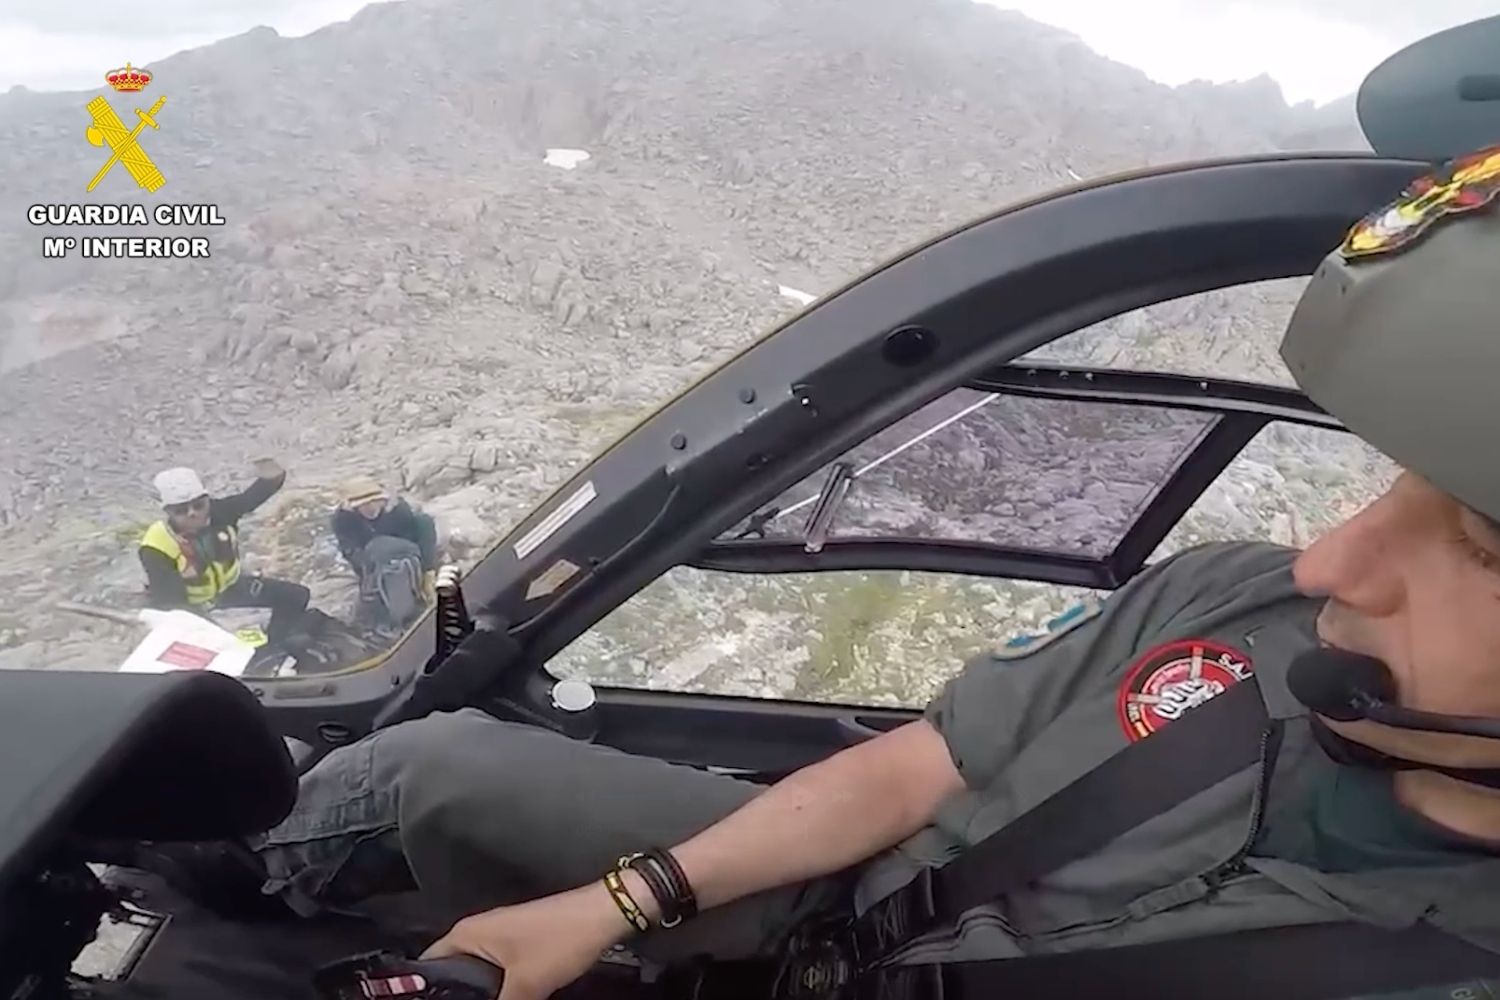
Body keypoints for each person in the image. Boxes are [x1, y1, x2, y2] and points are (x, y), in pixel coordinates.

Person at [145, 149, 1500, 994]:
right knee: (429, 764)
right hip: (850, 907)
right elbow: (918, 769)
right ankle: (204, 876)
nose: (1332, 557)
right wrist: (611, 904)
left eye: (1481, 541)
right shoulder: (1240, 601)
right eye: (1392, 486)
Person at [139, 459, 310, 647]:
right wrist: (218, 633)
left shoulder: (222, 512)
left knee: (296, 596)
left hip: (230, 588)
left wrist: (260, 458)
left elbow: (265, 486)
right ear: (167, 512)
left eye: (199, 505)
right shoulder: (156, 547)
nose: (192, 513)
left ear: (207, 500)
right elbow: (173, 605)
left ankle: (275, 644)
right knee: (222, 642)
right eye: (181, 510)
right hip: (192, 604)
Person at [330, 477, 439, 626]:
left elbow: (420, 534)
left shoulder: (399, 510)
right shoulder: (342, 520)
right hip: (371, 561)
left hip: (408, 554)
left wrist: (427, 570)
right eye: (363, 504)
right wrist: (368, 570)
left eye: (374, 501)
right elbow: (349, 550)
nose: (370, 507)